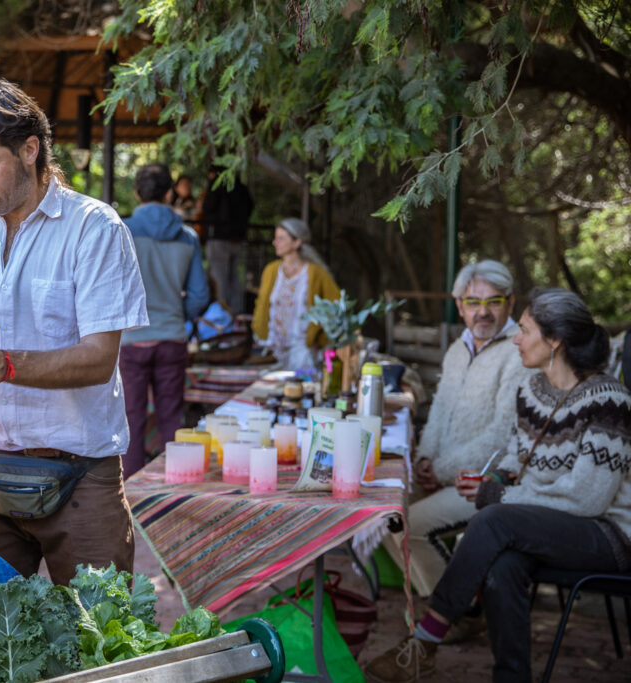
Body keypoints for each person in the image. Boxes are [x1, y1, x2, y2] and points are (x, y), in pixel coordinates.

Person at [0, 79, 148, 584]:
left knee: (102, 640)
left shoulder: (96, 228)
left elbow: (97, 359)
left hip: (82, 474)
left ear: (29, 150)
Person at [365, 287, 631, 683]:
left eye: (524, 330)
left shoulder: (609, 401)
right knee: (502, 566)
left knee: (492, 521)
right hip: (547, 523)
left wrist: (500, 496)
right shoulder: (533, 390)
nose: (516, 340)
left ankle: (425, 640)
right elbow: (516, 453)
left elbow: (587, 498)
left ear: (555, 340)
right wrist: (497, 475)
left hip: (606, 535)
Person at [382, 260, 531, 607]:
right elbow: (438, 414)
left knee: (411, 525)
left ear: (510, 303)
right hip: (445, 471)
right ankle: (440, 603)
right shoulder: (457, 349)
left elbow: (502, 435)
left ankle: (455, 614)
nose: (483, 312)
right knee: (384, 513)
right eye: (473, 302)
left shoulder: (518, 352)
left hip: (485, 479)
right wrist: (424, 461)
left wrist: (443, 471)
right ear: (460, 306)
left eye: (493, 301)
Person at [119, 163, 209, 477]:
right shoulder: (188, 237)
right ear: (170, 193)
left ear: (136, 192)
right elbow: (199, 295)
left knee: (131, 418)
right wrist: (177, 314)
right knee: (172, 417)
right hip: (172, 337)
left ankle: (130, 493)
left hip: (131, 340)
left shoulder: (122, 230)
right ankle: (173, 490)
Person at [250, 218, 339, 374]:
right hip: (272, 349)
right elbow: (262, 304)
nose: (275, 242)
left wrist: (320, 338)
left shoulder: (316, 273)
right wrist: (258, 330)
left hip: (302, 351)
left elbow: (336, 306)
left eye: (281, 238)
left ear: (297, 242)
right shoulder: (271, 270)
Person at [199, 166, 253, 313]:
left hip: (219, 237)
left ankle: (221, 315)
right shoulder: (240, 187)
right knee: (235, 278)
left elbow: (207, 207)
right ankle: (236, 314)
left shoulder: (216, 186)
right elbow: (250, 206)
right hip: (237, 238)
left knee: (219, 279)